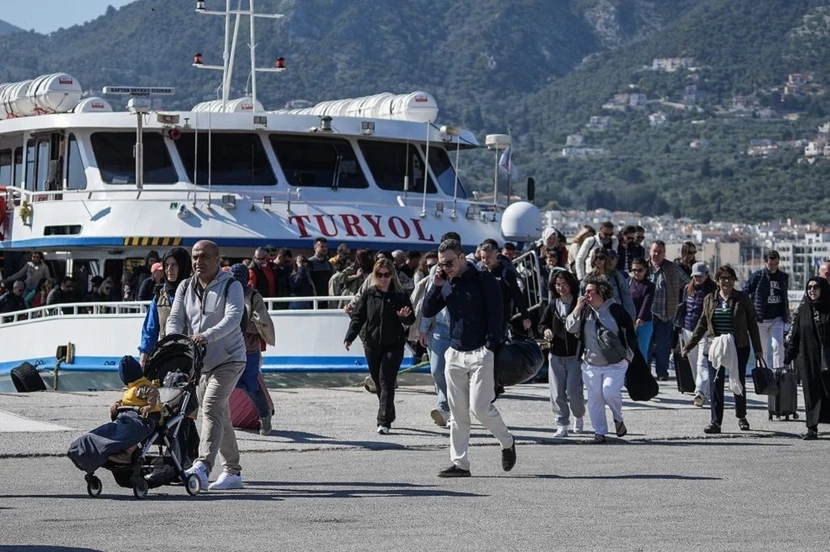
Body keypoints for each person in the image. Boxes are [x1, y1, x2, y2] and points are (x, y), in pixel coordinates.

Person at [422, 239, 516, 477]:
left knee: (480, 407)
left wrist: (490, 346)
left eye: (450, 262)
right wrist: (435, 284)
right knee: (457, 412)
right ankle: (460, 463)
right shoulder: (445, 281)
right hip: (454, 352)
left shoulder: (484, 279)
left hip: (480, 352)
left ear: (462, 258)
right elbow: (427, 311)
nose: (446, 267)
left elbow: (498, 314)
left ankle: (507, 442)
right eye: (442, 264)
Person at [168, 240, 247, 491]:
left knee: (211, 405)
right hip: (200, 362)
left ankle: (202, 466)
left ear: (217, 259)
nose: (198, 262)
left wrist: (207, 335)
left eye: (204, 257)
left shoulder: (231, 285)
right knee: (219, 413)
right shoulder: (185, 286)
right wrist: (174, 341)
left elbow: (234, 317)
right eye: (194, 257)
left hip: (230, 358)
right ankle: (233, 472)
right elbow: (175, 318)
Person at [682, 265, 762, 434]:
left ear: (734, 280)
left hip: (738, 345)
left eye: (729, 278)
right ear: (717, 281)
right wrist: (689, 345)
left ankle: (741, 416)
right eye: (723, 278)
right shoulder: (710, 299)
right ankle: (715, 421)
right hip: (715, 345)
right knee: (715, 383)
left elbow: (752, 324)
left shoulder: (742, 298)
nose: (726, 281)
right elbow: (702, 324)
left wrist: (758, 349)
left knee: (737, 381)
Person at [344, 259, 415, 434]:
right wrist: (350, 337)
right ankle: (388, 410)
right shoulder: (369, 294)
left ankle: (383, 421)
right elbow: (358, 317)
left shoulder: (400, 295)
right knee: (378, 382)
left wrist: (404, 317)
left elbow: (411, 319)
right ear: (375, 276)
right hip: (372, 344)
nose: (383, 278)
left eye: (387, 274)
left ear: (392, 275)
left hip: (394, 344)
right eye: (379, 275)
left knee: (386, 381)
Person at [566, 276, 637, 444]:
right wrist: (576, 308)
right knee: (594, 400)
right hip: (590, 364)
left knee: (610, 391)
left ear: (601, 293)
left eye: (590, 291)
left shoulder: (616, 310)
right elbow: (570, 328)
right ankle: (600, 433)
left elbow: (630, 336)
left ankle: (618, 418)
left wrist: (627, 358)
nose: (586, 294)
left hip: (615, 364)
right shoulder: (585, 310)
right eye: (585, 291)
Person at [229, 264, 276, 436]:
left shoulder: (254, 296)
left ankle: (264, 416)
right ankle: (223, 420)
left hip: (249, 349)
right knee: (224, 383)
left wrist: (240, 324)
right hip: (229, 348)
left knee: (250, 385)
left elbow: (261, 322)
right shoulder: (226, 293)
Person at [538, 270, 584, 437]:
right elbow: (542, 324)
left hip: (575, 355)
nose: (561, 287)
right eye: (558, 284)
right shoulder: (552, 305)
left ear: (571, 284)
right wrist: (546, 331)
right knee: (557, 392)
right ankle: (562, 423)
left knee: (573, 390)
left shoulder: (579, 303)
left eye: (564, 284)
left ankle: (579, 416)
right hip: (556, 354)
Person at [785, 277, 830, 440]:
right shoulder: (803, 310)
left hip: (827, 358)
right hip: (807, 358)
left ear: (823, 289)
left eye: (816, 287)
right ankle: (812, 428)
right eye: (809, 287)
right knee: (810, 392)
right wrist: (788, 356)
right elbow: (795, 335)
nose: (812, 290)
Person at [138, 247, 193, 367]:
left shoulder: (195, 293)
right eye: (166, 265)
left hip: (192, 357)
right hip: (167, 357)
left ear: (183, 266)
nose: (169, 269)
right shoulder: (160, 295)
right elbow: (150, 329)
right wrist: (143, 358)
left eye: (174, 265)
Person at [648, 241, 690, 381]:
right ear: (650, 251)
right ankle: (645, 372)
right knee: (646, 345)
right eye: (655, 251)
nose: (657, 254)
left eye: (660, 251)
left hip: (666, 313)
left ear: (664, 253)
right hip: (647, 314)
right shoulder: (644, 267)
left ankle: (662, 372)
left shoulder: (672, 267)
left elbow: (688, 284)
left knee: (663, 346)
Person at [743, 250, 789, 369]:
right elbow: (744, 292)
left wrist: (786, 313)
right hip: (760, 319)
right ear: (765, 262)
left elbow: (785, 297)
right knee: (761, 349)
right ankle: (763, 375)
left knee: (778, 346)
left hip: (777, 318)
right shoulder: (756, 277)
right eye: (770, 264)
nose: (773, 266)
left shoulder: (783, 277)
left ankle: (778, 372)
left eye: (775, 264)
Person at [680, 262, 717, 407]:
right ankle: (702, 391)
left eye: (700, 276)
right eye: (695, 276)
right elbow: (683, 307)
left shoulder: (712, 290)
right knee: (693, 363)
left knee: (702, 363)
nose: (697, 279)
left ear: (706, 275)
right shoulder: (687, 289)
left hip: (704, 332)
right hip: (688, 330)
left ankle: (700, 392)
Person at [628, 257, 655, 360]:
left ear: (645, 270)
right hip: (629, 322)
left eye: (640, 270)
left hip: (644, 323)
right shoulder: (628, 282)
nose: (636, 273)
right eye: (634, 270)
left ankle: (642, 375)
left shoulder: (649, 286)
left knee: (641, 351)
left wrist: (640, 317)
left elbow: (647, 302)